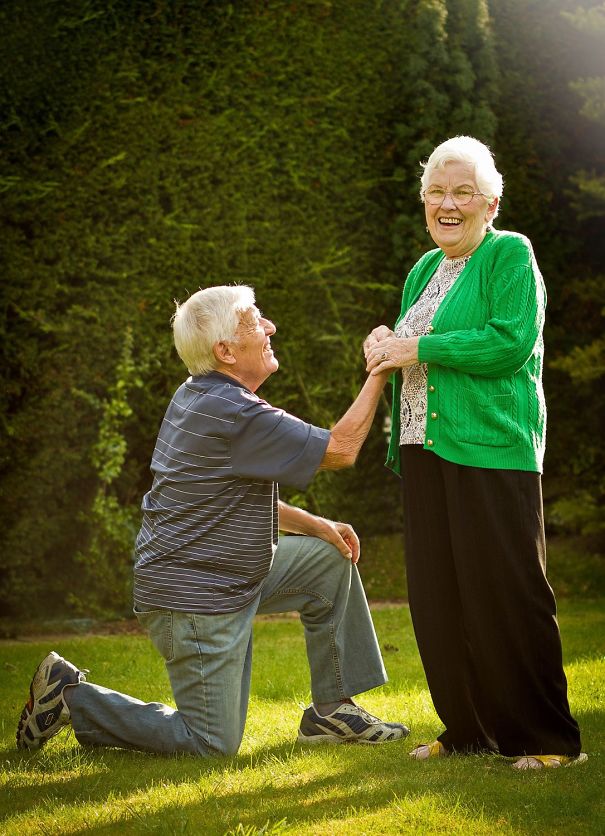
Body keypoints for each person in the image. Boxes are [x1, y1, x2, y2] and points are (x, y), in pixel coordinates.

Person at [17, 284, 409, 756]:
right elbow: (341, 449)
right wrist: (382, 368)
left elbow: (221, 497)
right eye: (254, 321)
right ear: (225, 350)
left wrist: (317, 525)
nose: (269, 327)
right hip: (195, 597)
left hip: (228, 572)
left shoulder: (199, 394)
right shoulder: (233, 411)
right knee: (211, 744)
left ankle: (332, 711)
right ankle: (71, 696)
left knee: (328, 560)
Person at [364, 136, 586, 771]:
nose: (448, 203)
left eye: (463, 192)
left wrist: (420, 347)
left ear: (490, 202)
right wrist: (387, 344)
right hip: (424, 450)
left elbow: (510, 342)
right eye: (437, 192)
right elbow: (412, 348)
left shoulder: (510, 254)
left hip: (492, 448)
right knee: (441, 597)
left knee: (507, 595)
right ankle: (467, 728)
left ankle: (547, 739)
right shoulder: (422, 271)